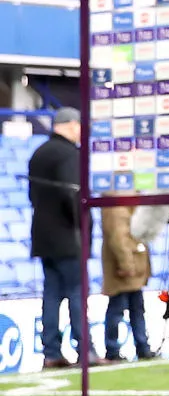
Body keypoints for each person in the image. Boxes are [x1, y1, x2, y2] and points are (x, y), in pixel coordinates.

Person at [27, 108, 87, 369]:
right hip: (67, 235)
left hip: (43, 235)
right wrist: (81, 225)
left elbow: (33, 196)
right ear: (71, 125)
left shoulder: (39, 153)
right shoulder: (68, 154)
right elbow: (72, 194)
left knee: (51, 294)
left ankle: (51, 351)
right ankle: (84, 349)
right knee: (76, 291)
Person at [99, 201, 156, 361]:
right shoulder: (116, 208)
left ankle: (142, 347)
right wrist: (127, 264)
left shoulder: (127, 205)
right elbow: (118, 239)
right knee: (117, 310)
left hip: (133, 268)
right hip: (123, 271)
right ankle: (113, 349)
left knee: (136, 309)